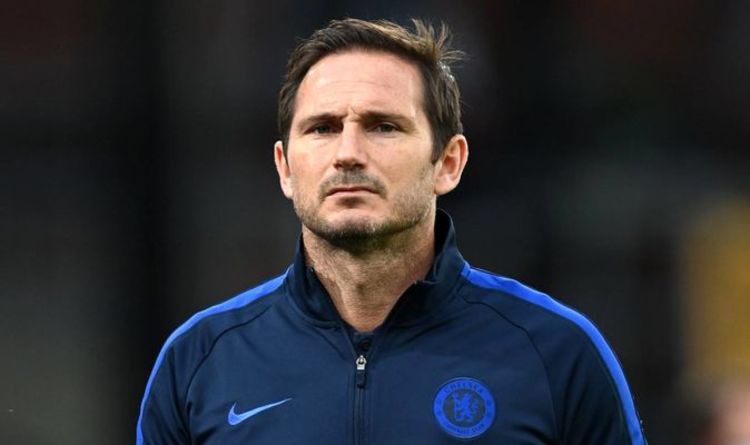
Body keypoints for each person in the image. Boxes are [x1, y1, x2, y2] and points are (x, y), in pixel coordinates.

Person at [136, 18, 646, 444]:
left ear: (448, 162)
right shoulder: (200, 360)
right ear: (285, 168)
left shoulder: (557, 353)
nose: (348, 153)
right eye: (322, 128)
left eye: (383, 126)